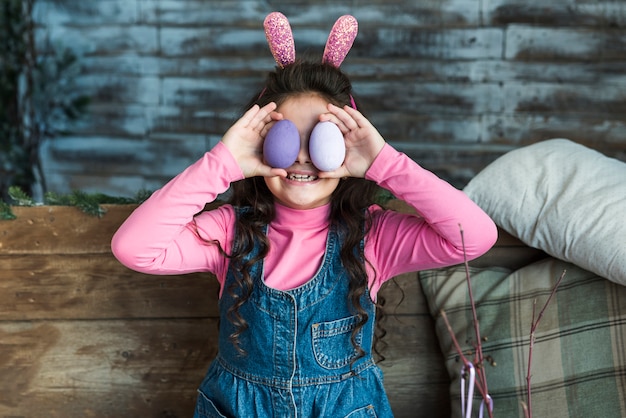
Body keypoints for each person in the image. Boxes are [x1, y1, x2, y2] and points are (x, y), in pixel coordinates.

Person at [111, 12, 497, 418]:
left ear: (349, 148)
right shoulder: (230, 231)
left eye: (321, 138)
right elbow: (134, 248)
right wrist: (222, 163)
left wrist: (384, 161)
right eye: (286, 136)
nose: (301, 155)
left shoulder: (374, 237)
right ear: (259, 143)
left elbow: (473, 236)